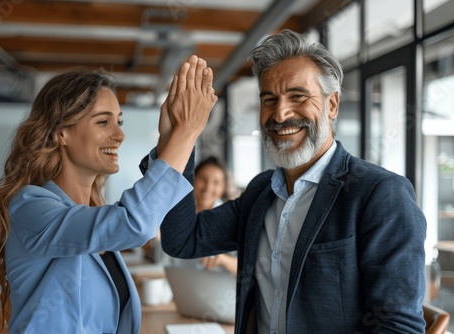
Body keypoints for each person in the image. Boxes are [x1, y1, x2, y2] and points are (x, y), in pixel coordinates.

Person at [155, 29, 427, 333]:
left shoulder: (380, 194)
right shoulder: (261, 191)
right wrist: (177, 138)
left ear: (332, 105)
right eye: (269, 100)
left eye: (298, 96)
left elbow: (398, 328)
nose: (281, 114)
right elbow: (181, 239)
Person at [0, 55, 217, 334]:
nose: (119, 135)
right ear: (61, 133)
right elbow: (135, 222)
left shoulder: (92, 215)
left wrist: (171, 138)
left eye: (119, 122)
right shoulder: (31, 208)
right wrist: (187, 133)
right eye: (103, 122)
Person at [193, 156, 238, 276]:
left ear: (223, 187)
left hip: (220, 288)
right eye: (203, 179)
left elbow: (246, 267)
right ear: (193, 179)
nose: (208, 187)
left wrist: (222, 259)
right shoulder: (181, 213)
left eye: (216, 182)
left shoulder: (230, 218)